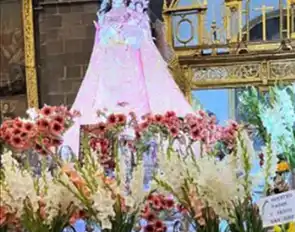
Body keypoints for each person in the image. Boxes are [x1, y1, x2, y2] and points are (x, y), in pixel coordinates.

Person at [62, 0, 195, 153]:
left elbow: (158, 50)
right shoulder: (106, 16)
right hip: (108, 78)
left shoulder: (142, 13)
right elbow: (97, 55)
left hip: (137, 75)